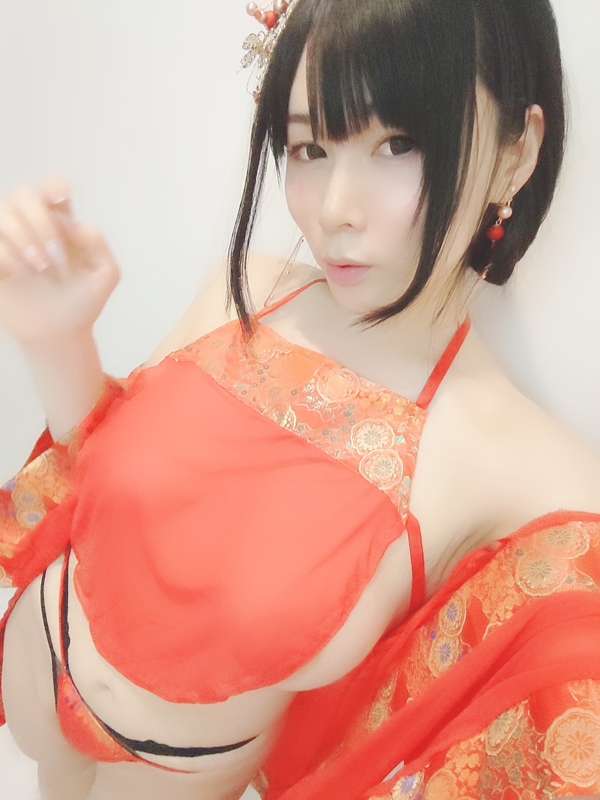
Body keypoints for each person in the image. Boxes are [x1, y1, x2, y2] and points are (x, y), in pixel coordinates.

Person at [1, 0, 600, 798]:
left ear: (515, 153)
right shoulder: (247, 288)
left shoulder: (521, 465)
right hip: (36, 648)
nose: (333, 209)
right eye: (309, 146)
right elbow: (100, 492)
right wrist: (57, 342)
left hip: (172, 771)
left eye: (399, 143)